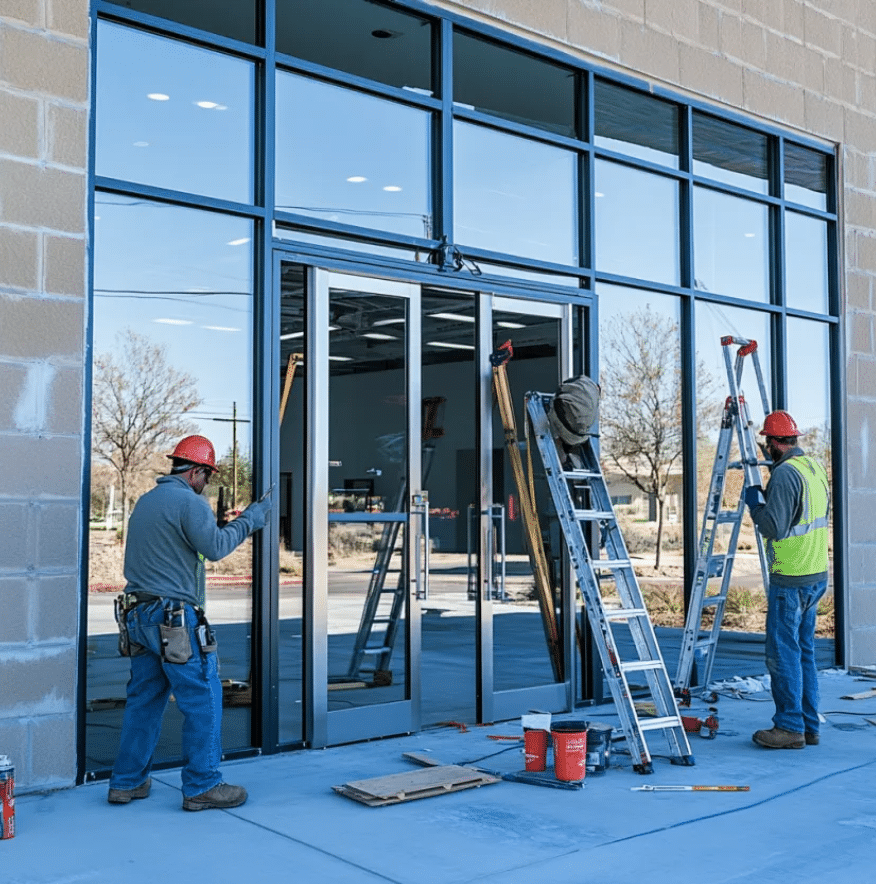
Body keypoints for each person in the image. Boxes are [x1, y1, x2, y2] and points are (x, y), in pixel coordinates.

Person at [107, 435, 272, 810]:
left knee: (144, 701)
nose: (207, 483)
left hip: (139, 617)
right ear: (196, 471)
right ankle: (202, 785)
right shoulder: (189, 501)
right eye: (208, 476)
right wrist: (251, 520)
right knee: (203, 698)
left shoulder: (148, 502)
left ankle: (127, 783)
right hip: (173, 620)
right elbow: (214, 548)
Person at [744, 410, 830, 750]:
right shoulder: (814, 468)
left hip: (791, 578)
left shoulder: (784, 475)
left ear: (774, 443)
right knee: (804, 652)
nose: (766, 450)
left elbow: (773, 527)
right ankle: (809, 727)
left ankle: (789, 727)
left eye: (768, 443)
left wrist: (756, 504)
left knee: (782, 654)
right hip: (815, 574)